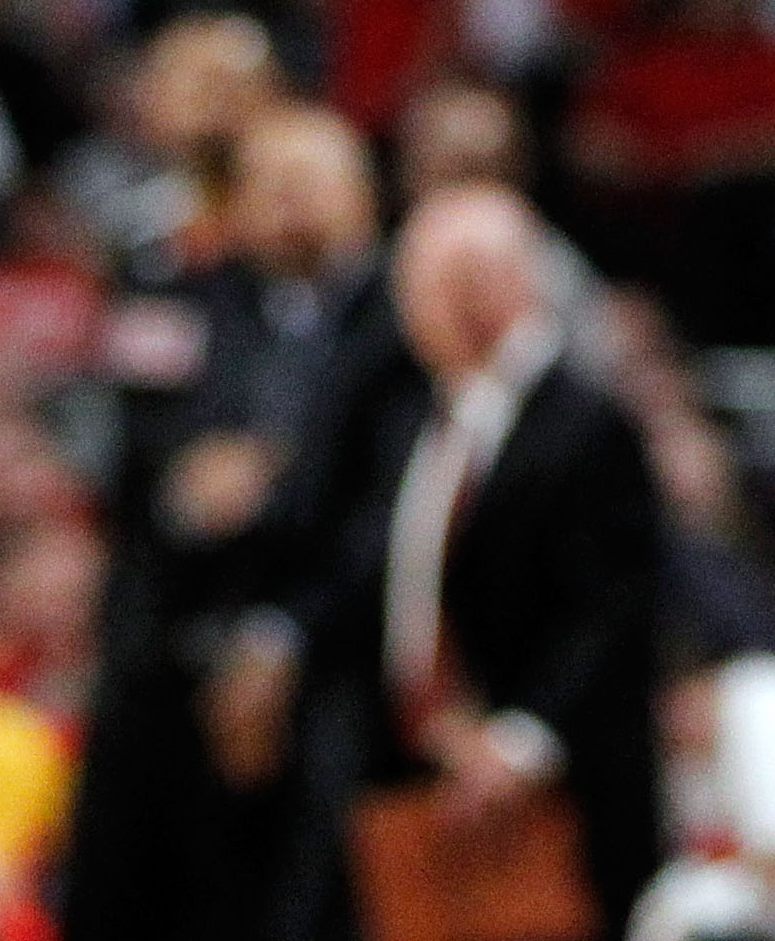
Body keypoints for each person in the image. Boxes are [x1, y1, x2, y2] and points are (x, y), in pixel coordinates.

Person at [223, 186, 667, 941]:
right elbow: (379, 571)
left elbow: (616, 608)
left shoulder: (588, 422)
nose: (404, 314)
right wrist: (281, 642)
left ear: (478, 288)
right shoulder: (422, 418)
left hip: (548, 794)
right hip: (413, 770)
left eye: (416, 286)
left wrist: (521, 741)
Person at [64, 103, 383, 941]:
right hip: (173, 639)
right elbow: (141, 456)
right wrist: (183, 488)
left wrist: (281, 621)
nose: (289, 205)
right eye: (268, 185)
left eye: (309, 183)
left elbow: (377, 499)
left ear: (362, 198)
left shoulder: (395, 320)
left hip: (327, 649)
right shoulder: (173, 299)